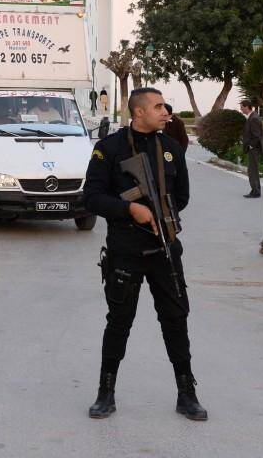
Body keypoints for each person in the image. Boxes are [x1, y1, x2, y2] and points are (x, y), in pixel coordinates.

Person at [83, 87, 207, 421]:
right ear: (138, 112)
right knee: (119, 321)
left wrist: (161, 214)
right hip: (126, 250)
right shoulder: (108, 149)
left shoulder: (170, 148)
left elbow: (181, 196)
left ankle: (187, 393)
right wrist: (130, 209)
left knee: (176, 320)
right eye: (158, 107)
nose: (166, 112)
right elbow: (91, 197)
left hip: (165, 250)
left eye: (165, 106)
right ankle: (105, 393)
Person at [239, 99, 263, 198]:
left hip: (253, 149)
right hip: (253, 148)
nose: (241, 109)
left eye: (242, 107)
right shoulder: (252, 116)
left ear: (247, 107)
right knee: (252, 170)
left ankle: (255, 191)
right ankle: (255, 189)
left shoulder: (253, 118)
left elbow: (257, 135)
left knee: (252, 170)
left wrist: (250, 146)